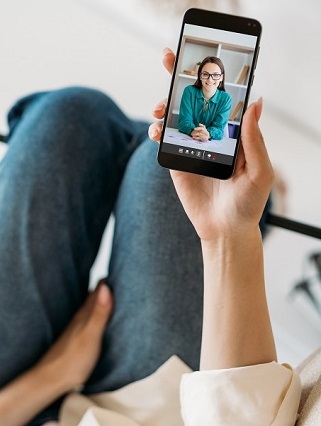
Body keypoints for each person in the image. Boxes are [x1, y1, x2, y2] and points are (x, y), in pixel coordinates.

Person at [0, 48, 300, 426]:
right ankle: (253, 195)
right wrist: (229, 234)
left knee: (69, 117)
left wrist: (53, 375)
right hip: (137, 413)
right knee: (166, 176)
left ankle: (126, 157)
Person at [178, 56, 232, 142]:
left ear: (221, 77)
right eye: (205, 74)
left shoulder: (226, 99)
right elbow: (184, 122)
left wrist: (208, 134)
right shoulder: (189, 91)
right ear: (200, 76)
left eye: (215, 75)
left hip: (210, 144)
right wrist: (194, 131)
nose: (210, 80)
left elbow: (219, 128)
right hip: (189, 139)